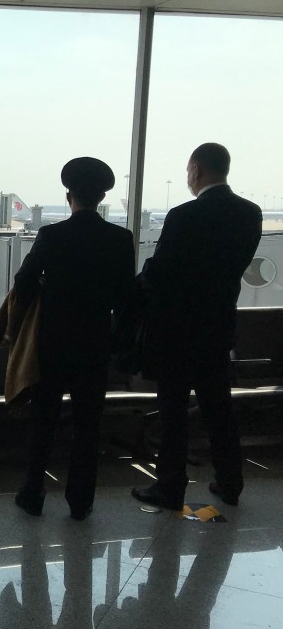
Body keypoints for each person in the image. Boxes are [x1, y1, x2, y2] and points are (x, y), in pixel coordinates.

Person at [132, 143, 261, 510]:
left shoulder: (184, 215)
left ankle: (170, 487)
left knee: (173, 412)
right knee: (218, 408)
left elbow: (161, 271)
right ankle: (230, 482)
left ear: (195, 170)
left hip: (175, 330)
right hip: (218, 326)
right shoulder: (249, 214)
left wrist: (138, 287)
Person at [11, 157, 135, 520]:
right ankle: (81, 501)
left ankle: (33, 494)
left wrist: (48, 289)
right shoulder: (120, 238)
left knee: (43, 422)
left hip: (51, 343)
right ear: (101, 198)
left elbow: (23, 283)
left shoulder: (52, 236)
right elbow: (125, 297)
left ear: (70, 197)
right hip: (95, 344)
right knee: (88, 426)